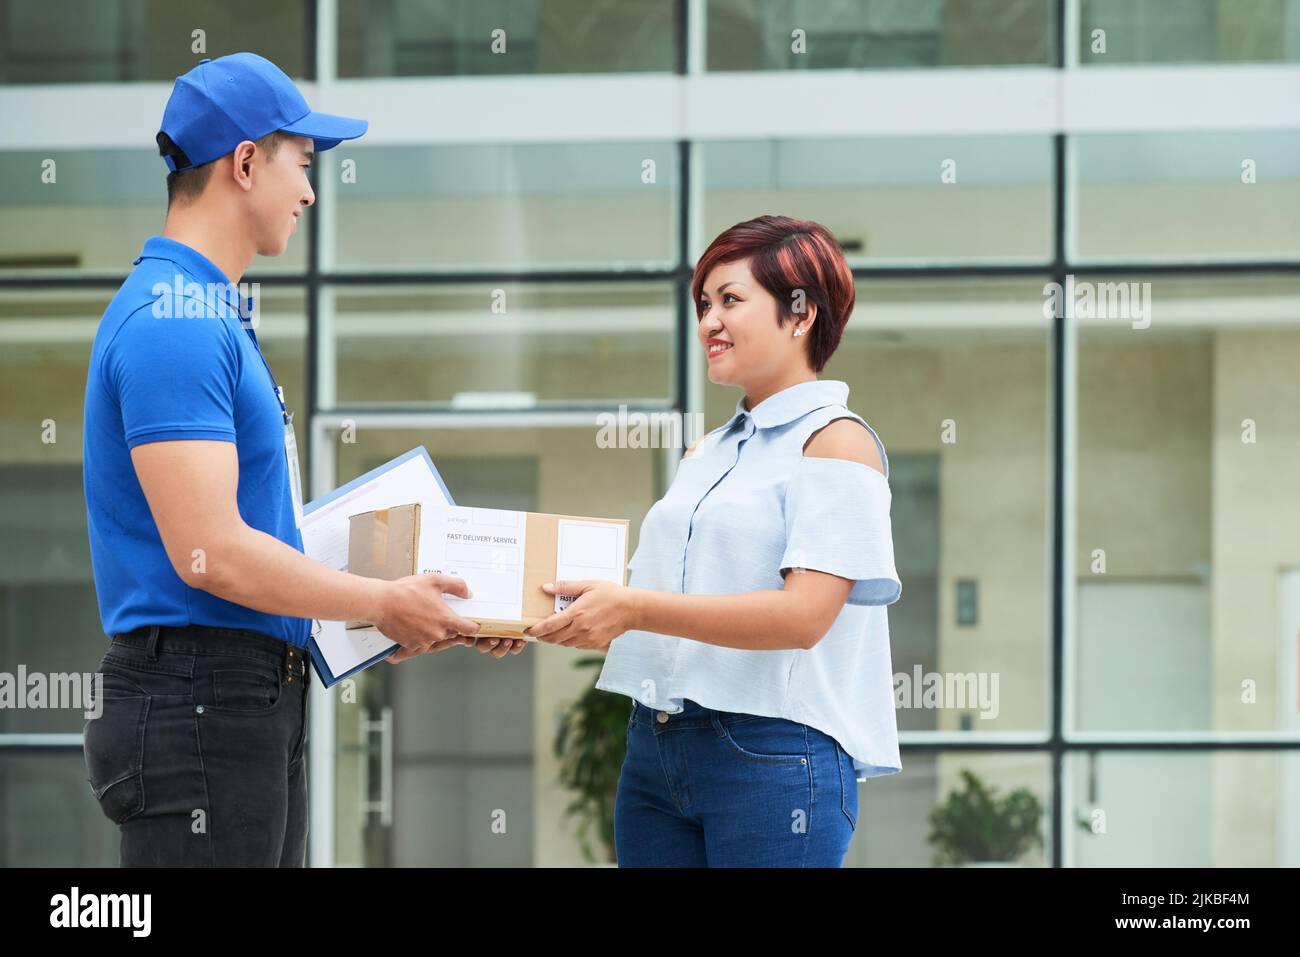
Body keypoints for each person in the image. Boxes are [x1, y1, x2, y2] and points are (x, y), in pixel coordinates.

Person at [81, 52, 522, 868]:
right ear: (245, 161)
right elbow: (210, 552)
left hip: (239, 694)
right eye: (303, 164)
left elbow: (250, 541)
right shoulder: (173, 322)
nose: (311, 192)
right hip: (203, 699)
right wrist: (381, 599)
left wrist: (406, 603)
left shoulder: (206, 312)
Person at [524, 214, 903, 867]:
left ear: (801, 313)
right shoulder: (708, 451)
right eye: (703, 304)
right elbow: (649, 599)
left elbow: (804, 615)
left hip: (773, 755)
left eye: (730, 300)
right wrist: (519, 615)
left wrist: (635, 608)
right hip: (658, 747)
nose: (707, 322)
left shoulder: (838, 441)